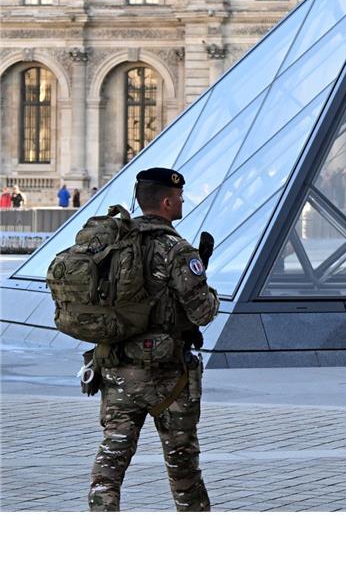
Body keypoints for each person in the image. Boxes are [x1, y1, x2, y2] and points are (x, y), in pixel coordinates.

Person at [88, 167, 219, 511]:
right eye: (178, 196)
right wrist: (211, 292)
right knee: (182, 465)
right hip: (168, 375)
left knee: (110, 463)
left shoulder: (113, 244)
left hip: (117, 368)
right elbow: (202, 312)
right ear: (166, 201)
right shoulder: (177, 249)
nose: (182, 200)